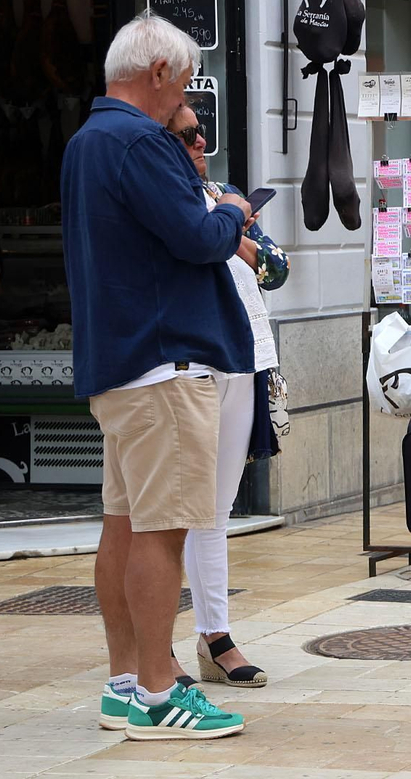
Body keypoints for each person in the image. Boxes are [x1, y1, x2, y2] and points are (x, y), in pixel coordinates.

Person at [62, 11, 254, 741]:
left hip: (120, 365)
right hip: (164, 363)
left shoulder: (87, 141)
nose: (187, 100)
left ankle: (122, 683)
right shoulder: (142, 140)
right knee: (163, 532)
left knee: (123, 525)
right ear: (159, 75)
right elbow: (197, 235)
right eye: (186, 83)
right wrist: (230, 210)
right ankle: (156, 688)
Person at [165, 103, 288, 690]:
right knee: (175, 510)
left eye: (201, 131)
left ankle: (216, 636)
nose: (201, 140)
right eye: (187, 134)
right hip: (191, 362)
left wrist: (239, 240)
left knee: (216, 508)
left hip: (248, 356)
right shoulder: (167, 198)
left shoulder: (227, 193)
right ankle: (164, 647)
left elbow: (279, 269)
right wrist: (219, 231)